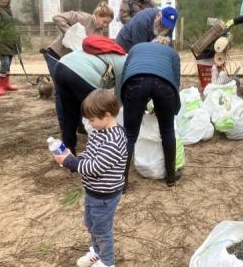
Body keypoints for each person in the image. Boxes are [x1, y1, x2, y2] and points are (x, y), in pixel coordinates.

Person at [54, 89, 128, 267]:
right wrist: (74, 158)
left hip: (105, 196)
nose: (89, 123)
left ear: (107, 115)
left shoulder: (114, 141)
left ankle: (107, 261)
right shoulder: (98, 133)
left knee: (102, 230)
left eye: (92, 119)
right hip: (92, 192)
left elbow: (96, 167)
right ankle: (97, 251)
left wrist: (70, 163)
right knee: (91, 223)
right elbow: (90, 154)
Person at [43, 2, 114, 131]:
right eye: (104, 22)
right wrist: (71, 33)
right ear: (97, 15)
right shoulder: (83, 18)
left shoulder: (99, 33)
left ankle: (80, 123)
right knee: (61, 91)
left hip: (72, 63)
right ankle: (64, 124)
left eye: (108, 24)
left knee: (77, 90)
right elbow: (57, 18)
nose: (105, 25)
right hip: (57, 55)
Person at [121, 36, 181, 187]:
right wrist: (170, 108)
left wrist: (130, 104)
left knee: (129, 134)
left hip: (135, 81)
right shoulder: (172, 54)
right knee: (167, 131)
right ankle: (171, 177)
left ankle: (122, 184)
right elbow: (176, 81)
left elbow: (125, 73)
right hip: (164, 84)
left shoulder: (136, 48)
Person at [54, 44, 126, 156]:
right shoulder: (125, 64)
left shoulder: (115, 55)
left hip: (61, 66)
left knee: (69, 114)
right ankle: (102, 150)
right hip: (81, 72)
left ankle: (68, 152)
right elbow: (118, 97)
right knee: (97, 114)